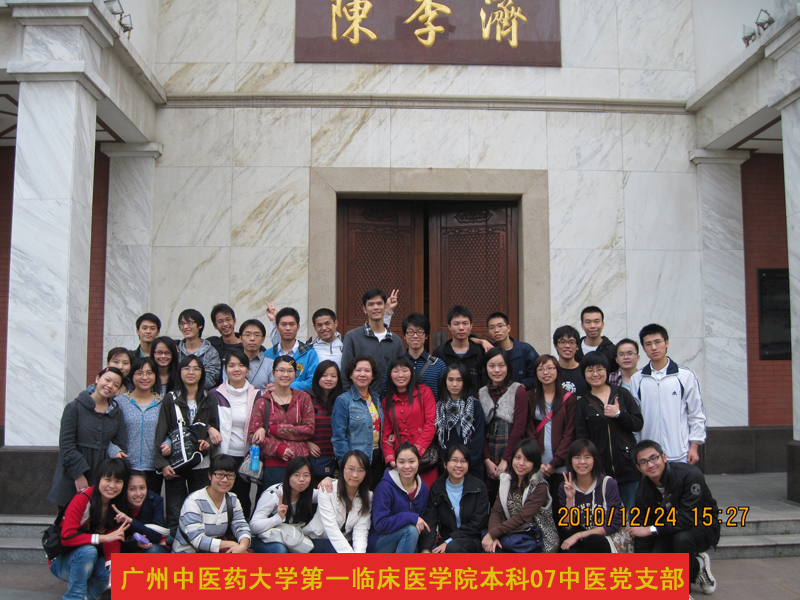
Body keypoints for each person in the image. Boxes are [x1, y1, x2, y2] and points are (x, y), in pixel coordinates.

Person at [628, 440, 719, 596]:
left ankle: (683, 593)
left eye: (654, 458)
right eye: (644, 462)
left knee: (682, 539)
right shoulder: (643, 490)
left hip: (701, 526)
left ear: (664, 457)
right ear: (639, 468)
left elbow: (688, 517)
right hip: (667, 529)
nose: (650, 465)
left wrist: (651, 529)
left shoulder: (690, 475)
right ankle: (698, 566)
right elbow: (641, 526)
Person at [49, 457, 131, 600]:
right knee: (88, 551)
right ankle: (74, 597)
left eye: (118, 481)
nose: (112, 486)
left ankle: (87, 597)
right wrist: (103, 538)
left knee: (114, 572)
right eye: (107, 480)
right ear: (98, 479)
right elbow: (67, 537)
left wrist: (113, 568)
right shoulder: (82, 499)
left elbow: (113, 540)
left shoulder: (118, 505)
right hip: (62, 560)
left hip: (90, 560)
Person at [154, 355, 220, 529]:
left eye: (196, 368)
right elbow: (161, 430)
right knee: (175, 510)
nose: (191, 372)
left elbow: (215, 427)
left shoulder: (209, 397)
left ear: (202, 372)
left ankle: (200, 543)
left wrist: (208, 443)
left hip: (201, 462)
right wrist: (162, 464)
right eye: (187, 368)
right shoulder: (170, 398)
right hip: (176, 462)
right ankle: (175, 543)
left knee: (200, 509)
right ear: (179, 372)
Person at [48, 367, 128, 509]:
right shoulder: (74, 407)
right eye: (107, 380)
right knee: (70, 517)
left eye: (116, 385)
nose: (110, 386)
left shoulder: (117, 414)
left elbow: (120, 444)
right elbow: (66, 445)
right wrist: (78, 474)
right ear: (97, 379)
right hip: (72, 475)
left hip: (101, 477)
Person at [630, 323, 707, 465]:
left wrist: (694, 446)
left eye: (657, 342)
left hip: (680, 454)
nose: (654, 347)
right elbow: (636, 417)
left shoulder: (685, 376)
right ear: (643, 348)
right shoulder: (637, 379)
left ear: (666, 343)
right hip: (649, 457)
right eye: (648, 344)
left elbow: (696, 414)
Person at [575, 352, 643, 509]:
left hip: (627, 466)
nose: (595, 374)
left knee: (631, 513)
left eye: (599, 369)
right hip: (600, 471)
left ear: (607, 371)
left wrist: (619, 414)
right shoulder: (582, 404)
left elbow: (638, 424)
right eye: (590, 370)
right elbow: (582, 438)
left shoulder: (622, 394)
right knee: (606, 514)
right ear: (584, 374)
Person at [208, 349, 263, 518]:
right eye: (231, 365)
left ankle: (242, 529)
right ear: (225, 369)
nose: (236, 369)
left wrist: (262, 428)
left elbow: (263, 419)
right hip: (222, 454)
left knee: (242, 498)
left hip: (246, 456)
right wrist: (210, 429)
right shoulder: (215, 394)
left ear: (247, 369)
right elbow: (205, 419)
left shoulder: (257, 394)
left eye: (241, 365)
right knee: (219, 496)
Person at [248, 355, 315, 491]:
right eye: (281, 370)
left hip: (300, 464)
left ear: (295, 374)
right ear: (273, 373)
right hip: (273, 465)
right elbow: (252, 436)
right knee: (273, 501)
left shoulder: (303, 398)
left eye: (290, 371)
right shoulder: (263, 402)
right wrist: (278, 449)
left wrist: (275, 429)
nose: (285, 375)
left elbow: (309, 430)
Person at [482, 439, 558, 554]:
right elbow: (497, 511)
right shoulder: (506, 481)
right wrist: (493, 537)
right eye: (518, 457)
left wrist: (492, 534)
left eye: (527, 460)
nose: (521, 463)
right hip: (511, 535)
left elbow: (522, 517)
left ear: (535, 463)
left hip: (537, 539)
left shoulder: (539, 486)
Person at [526, 354, 576, 522]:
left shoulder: (569, 398)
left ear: (557, 371)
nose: (545, 372)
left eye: (549, 368)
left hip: (560, 465)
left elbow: (569, 433)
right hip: (538, 465)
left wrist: (554, 463)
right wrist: (537, 460)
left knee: (561, 508)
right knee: (540, 510)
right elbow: (529, 429)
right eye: (540, 369)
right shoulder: (530, 397)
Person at [172, 454, 251, 553]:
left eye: (230, 475)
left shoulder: (233, 499)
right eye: (220, 474)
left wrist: (242, 546)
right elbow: (197, 539)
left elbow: (241, 526)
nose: (225, 480)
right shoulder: (194, 501)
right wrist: (232, 545)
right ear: (210, 475)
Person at [107, 357, 163, 493]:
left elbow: (170, 431)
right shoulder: (119, 403)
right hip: (126, 466)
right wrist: (114, 451)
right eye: (139, 373)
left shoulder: (163, 403)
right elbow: (105, 432)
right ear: (132, 376)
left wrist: (168, 445)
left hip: (153, 468)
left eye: (149, 373)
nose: (145, 377)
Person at [558, 439, 625, 553]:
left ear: (595, 460)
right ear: (570, 460)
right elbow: (567, 527)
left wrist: (579, 535)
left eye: (587, 457)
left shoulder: (607, 483)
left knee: (593, 541)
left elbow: (613, 525)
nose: (582, 462)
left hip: (608, 538)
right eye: (577, 457)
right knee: (567, 550)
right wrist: (570, 499)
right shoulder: (565, 486)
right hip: (582, 539)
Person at [478, 347, 528, 500]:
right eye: (492, 366)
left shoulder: (518, 390)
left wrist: (506, 460)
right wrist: (487, 460)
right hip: (488, 456)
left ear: (508, 367)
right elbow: (479, 430)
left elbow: (519, 428)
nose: (497, 370)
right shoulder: (481, 393)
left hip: (512, 455)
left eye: (501, 365)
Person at [420, 444, 489, 553]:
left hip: (471, 539)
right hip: (444, 539)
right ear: (445, 464)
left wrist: (450, 541)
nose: (459, 465)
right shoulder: (437, 488)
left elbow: (478, 523)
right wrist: (426, 548)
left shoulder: (479, 487)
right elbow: (430, 520)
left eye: (463, 461)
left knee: (453, 548)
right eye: (454, 460)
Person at [382, 356, 438, 488]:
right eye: (396, 371)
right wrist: (391, 459)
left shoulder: (424, 392)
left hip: (424, 457)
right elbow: (386, 434)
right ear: (390, 374)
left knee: (427, 493)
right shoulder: (387, 400)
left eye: (404, 370)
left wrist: (415, 453)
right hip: (400, 461)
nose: (400, 375)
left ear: (411, 373)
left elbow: (431, 423)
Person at [305, 449, 373, 553]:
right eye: (351, 469)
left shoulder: (368, 496)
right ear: (343, 468)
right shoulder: (327, 489)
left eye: (361, 470)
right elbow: (331, 528)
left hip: (344, 542)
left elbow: (361, 530)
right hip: (317, 539)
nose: (355, 475)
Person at [331, 355, 384, 486]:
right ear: (351, 374)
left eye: (367, 371)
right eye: (358, 370)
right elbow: (338, 437)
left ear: (372, 376)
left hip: (378, 461)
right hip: (356, 463)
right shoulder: (343, 400)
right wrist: (347, 465)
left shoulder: (376, 400)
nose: (362, 374)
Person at [341, 288, 404, 397]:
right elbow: (345, 372)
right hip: (360, 399)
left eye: (379, 303)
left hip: (389, 400)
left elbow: (400, 371)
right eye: (371, 304)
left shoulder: (396, 340)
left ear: (385, 307)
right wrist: (352, 398)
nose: (375, 307)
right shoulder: (352, 337)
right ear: (364, 309)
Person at [368, 442, 430, 553]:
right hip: (380, 541)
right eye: (401, 462)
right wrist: (410, 517)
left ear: (418, 462)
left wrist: (428, 548)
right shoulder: (384, 487)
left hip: (408, 540)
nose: (407, 466)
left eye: (412, 461)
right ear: (396, 463)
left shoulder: (423, 489)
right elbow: (380, 524)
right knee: (411, 531)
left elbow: (423, 523)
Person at [250, 456, 318, 553]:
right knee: (280, 550)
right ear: (288, 476)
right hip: (263, 538)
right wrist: (277, 518)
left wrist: (328, 480)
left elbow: (333, 492)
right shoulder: (273, 495)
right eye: (297, 475)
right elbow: (253, 526)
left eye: (306, 475)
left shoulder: (308, 494)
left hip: (289, 536)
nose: (301, 479)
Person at [435, 363, 486, 481]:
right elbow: (439, 441)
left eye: (459, 380)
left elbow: (478, 440)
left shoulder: (474, 405)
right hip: (447, 469)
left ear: (465, 381)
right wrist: (448, 464)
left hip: (472, 468)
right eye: (450, 379)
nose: (454, 384)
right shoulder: (440, 407)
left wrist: (464, 463)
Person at [264, 306, 319, 392]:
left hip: (301, 399)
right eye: (283, 324)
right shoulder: (268, 354)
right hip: (273, 399)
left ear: (298, 327)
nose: (288, 328)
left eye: (292, 324)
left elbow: (313, 381)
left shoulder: (309, 353)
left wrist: (286, 385)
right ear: (277, 327)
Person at [433, 305, 486, 394]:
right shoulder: (440, 352)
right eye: (456, 324)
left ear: (471, 326)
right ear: (449, 326)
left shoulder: (480, 351)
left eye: (465, 323)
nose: (461, 328)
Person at [393, 312, 446, 400]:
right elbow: (387, 392)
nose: (415, 336)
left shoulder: (438, 365)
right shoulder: (395, 364)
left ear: (426, 336)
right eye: (410, 332)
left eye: (420, 332)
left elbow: (444, 397)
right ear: (405, 336)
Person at [307, 360, 343, 481]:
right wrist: (306, 443)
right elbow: (297, 426)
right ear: (317, 377)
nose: (329, 379)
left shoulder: (342, 399)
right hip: (312, 458)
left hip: (336, 458)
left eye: (333, 376)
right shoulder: (307, 398)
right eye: (324, 375)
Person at [119, 470, 168, 553]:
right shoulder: (118, 505)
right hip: (129, 550)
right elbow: (116, 544)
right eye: (132, 489)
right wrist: (135, 544)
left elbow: (156, 537)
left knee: (153, 550)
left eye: (142, 488)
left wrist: (132, 522)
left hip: (153, 547)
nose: (138, 494)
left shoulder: (155, 501)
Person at [486, 312, 538, 389]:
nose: (496, 330)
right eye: (492, 327)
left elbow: (537, 375)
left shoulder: (525, 349)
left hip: (521, 394)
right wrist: (481, 341)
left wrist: (518, 388)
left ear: (508, 328)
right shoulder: (490, 351)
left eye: (500, 326)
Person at [176, 308, 221, 389]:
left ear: (200, 325)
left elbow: (210, 380)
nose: (185, 327)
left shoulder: (211, 352)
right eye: (182, 324)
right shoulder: (176, 350)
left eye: (189, 323)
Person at [575, 306, 618, 372]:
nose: (593, 326)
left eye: (596, 321)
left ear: (602, 324)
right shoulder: (575, 349)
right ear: (582, 325)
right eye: (588, 322)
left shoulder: (612, 351)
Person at [236, 318, 273, 390]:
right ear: (240, 338)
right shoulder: (231, 363)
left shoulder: (271, 364)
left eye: (257, 335)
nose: (252, 338)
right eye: (247, 335)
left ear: (263, 339)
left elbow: (274, 390)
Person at [552, 325, 588, 396]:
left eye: (571, 342)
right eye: (563, 342)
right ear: (555, 345)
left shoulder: (585, 371)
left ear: (577, 346)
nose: (567, 346)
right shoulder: (551, 371)